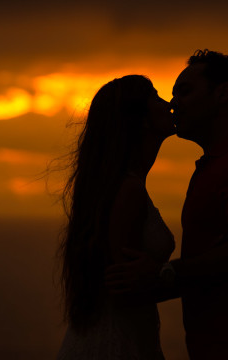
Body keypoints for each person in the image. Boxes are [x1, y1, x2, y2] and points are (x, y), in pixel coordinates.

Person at [105, 50, 228, 359]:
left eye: (185, 91)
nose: (173, 104)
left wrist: (163, 274)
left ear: (223, 94)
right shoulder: (214, 166)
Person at [56, 75, 176, 359]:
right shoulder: (129, 188)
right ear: (141, 119)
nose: (169, 104)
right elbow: (126, 286)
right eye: (156, 97)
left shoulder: (119, 184)